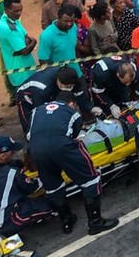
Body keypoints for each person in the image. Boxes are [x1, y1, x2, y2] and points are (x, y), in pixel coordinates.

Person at [27, 96, 119, 235]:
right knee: (90, 179)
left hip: (37, 150)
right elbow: (77, 137)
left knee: (52, 185)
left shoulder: (36, 111)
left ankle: (66, 219)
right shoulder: (72, 113)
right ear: (71, 103)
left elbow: (30, 133)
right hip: (62, 147)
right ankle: (95, 222)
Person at [0, 137, 55, 232]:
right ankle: (10, 229)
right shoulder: (11, 174)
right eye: (12, 153)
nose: (13, 154)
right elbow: (34, 187)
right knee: (48, 204)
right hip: (3, 222)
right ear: (2, 156)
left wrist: (18, 164)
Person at [15, 64, 94, 134]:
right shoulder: (42, 89)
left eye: (70, 87)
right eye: (66, 87)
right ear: (58, 81)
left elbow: (81, 96)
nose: (68, 89)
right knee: (32, 124)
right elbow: (40, 112)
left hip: (48, 91)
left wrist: (92, 108)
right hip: (26, 96)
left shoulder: (73, 79)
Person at [0, 0, 38, 102]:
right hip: (20, 72)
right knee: (27, 102)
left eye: (21, 10)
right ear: (6, 10)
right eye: (16, 11)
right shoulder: (8, 27)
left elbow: (26, 37)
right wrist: (34, 41)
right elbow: (25, 50)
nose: (19, 13)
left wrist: (28, 42)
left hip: (27, 67)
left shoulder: (13, 19)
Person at [38, 3, 81, 73]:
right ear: (58, 18)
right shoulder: (46, 36)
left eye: (72, 21)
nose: (69, 24)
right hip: (59, 78)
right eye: (66, 21)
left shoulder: (73, 27)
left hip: (76, 72)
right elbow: (43, 61)